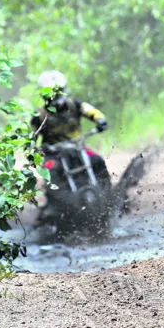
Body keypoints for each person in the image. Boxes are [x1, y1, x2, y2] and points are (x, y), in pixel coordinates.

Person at [31, 70, 111, 220]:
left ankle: (108, 196)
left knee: (98, 160)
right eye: (51, 93)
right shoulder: (39, 115)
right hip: (54, 154)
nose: (55, 96)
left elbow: (91, 111)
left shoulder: (75, 105)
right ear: (43, 94)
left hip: (78, 148)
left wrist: (100, 120)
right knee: (51, 175)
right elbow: (31, 136)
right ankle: (54, 210)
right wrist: (33, 148)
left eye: (58, 91)